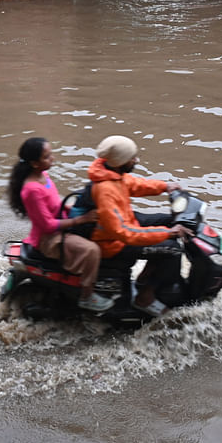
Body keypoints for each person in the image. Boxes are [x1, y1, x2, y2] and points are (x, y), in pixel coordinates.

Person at [87, 135, 190, 317]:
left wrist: (165, 186)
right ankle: (145, 297)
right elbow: (123, 233)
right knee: (173, 250)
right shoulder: (105, 190)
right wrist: (166, 234)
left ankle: (146, 279)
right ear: (120, 162)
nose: (136, 160)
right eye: (132, 158)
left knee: (170, 220)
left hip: (125, 224)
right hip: (113, 244)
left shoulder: (112, 174)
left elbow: (136, 184)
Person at [7, 137, 114, 313]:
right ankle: (87, 296)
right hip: (48, 239)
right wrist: (82, 219)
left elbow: (54, 203)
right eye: (47, 157)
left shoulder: (44, 176)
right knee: (92, 250)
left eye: (50, 154)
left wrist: (75, 208)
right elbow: (48, 225)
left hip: (59, 225)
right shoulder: (32, 189)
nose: (52, 159)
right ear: (34, 163)